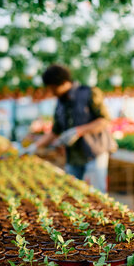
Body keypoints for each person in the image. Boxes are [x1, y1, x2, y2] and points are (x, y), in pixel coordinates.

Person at [24, 64, 115, 193]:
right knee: (72, 192)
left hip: (94, 152)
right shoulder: (60, 103)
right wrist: (35, 146)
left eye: (52, 88)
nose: (51, 92)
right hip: (73, 156)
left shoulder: (89, 93)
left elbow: (104, 121)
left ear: (61, 83)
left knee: (96, 192)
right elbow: (55, 131)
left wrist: (79, 131)